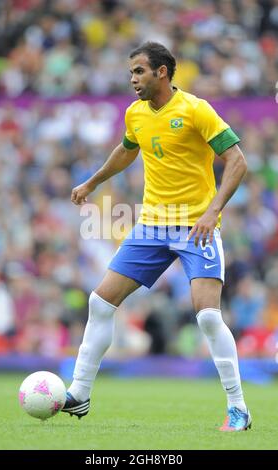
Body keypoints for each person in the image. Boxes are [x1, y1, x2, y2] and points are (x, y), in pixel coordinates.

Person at [61, 42, 251, 432]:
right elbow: (127, 150)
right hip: (151, 225)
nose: (132, 79)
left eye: (139, 71)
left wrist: (213, 211)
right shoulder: (135, 113)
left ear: (161, 72)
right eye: (131, 72)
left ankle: (238, 408)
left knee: (209, 317)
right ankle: (79, 394)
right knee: (100, 302)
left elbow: (237, 161)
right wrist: (93, 182)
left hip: (196, 226)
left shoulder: (195, 110)